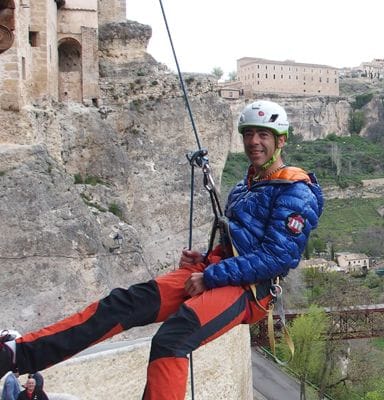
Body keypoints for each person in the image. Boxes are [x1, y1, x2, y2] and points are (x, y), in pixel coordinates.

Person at [0, 100, 324, 399]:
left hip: (249, 290)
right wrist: (203, 260)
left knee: (172, 339)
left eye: (264, 134)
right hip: (219, 272)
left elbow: (278, 257)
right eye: (249, 134)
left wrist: (211, 276)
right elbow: (241, 242)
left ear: (280, 140)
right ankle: (18, 353)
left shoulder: (296, 191)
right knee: (123, 304)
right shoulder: (246, 185)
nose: (254, 141)